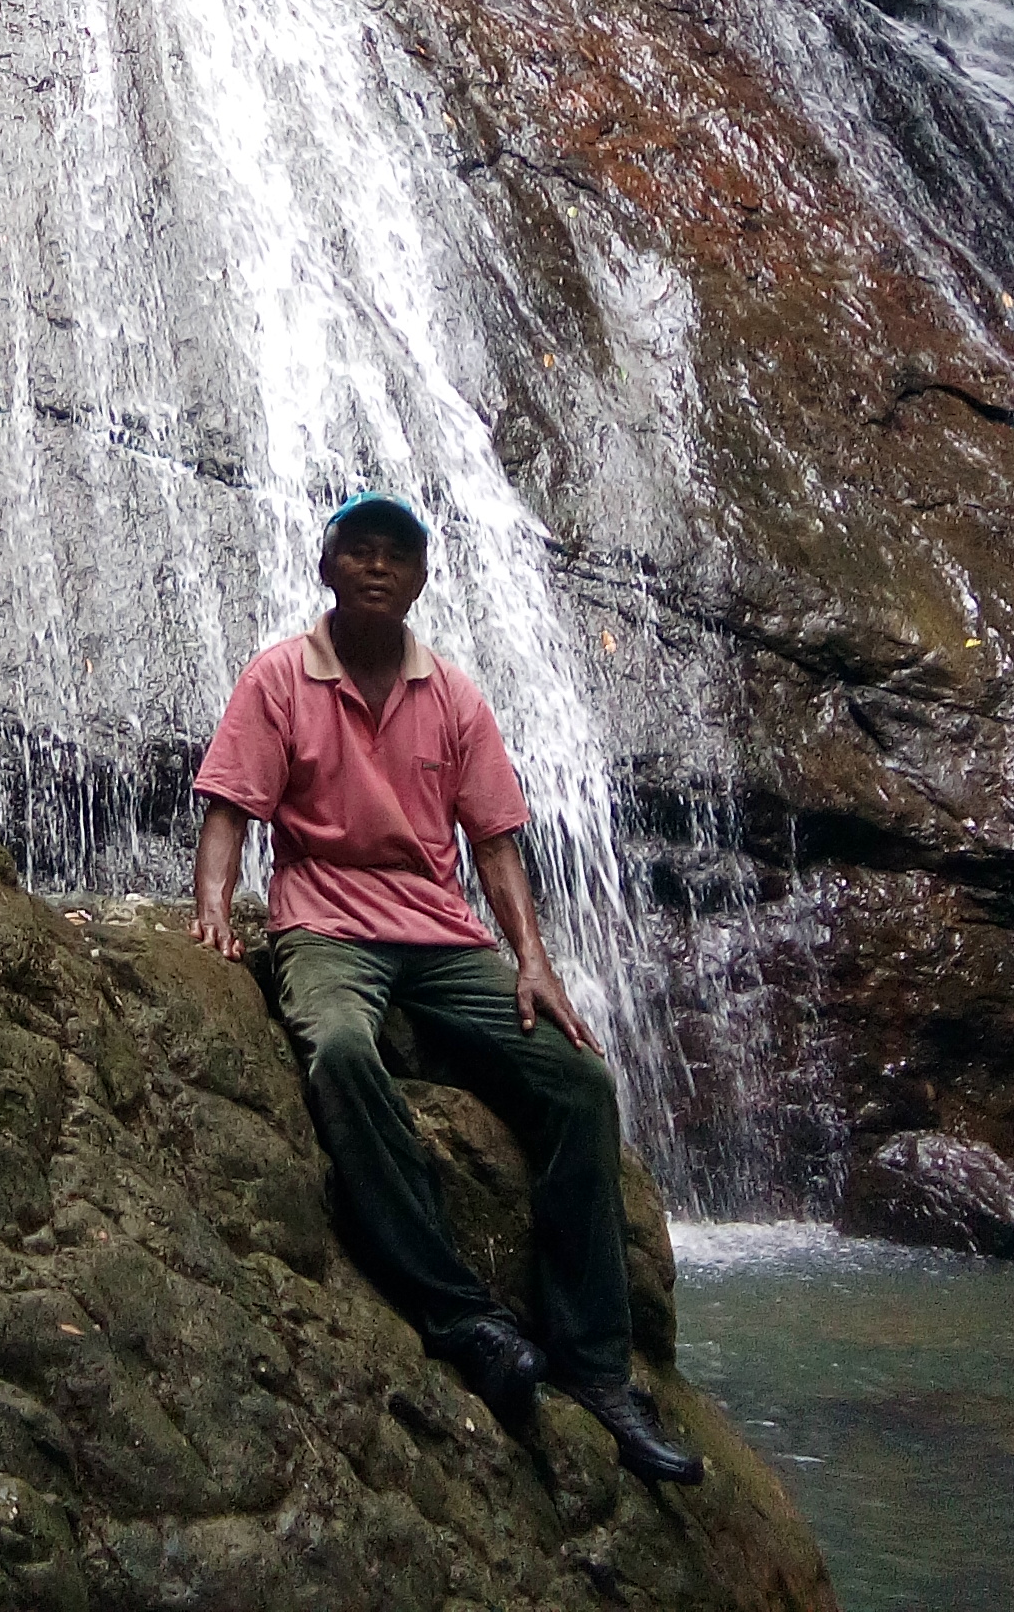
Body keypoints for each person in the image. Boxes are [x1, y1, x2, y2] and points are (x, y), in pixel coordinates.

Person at [189, 490, 703, 1485]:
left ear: (423, 577)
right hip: (326, 924)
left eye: (397, 553)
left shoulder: (454, 695)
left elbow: (496, 841)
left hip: (441, 934)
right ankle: (461, 1314)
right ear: (327, 568)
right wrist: (212, 902)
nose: (377, 566)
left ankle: (596, 1367)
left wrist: (532, 960)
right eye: (359, 550)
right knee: (341, 1052)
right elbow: (230, 804)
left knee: (578, 1082)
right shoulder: (279, 676)